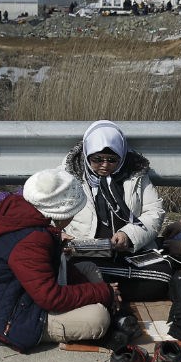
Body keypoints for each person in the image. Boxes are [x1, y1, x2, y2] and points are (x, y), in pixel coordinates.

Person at [0, 168, 119, 351]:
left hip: (22, 295)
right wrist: (103, 292)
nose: (73, 216)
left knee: (88, 268)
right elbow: (50, 298)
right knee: (98, 318)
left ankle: (110, 306)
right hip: (9, 320)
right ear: (60, 212)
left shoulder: (22, 211)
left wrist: (98, 291)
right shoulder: (31, 241)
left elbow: (47, 268)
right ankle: (111, 311)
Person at [62, 120, 168, 300]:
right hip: (83, 252)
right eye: (97, 159)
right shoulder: (68, 175)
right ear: (87, 154)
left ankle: (100, 289)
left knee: (162, 277)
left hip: (128, 251)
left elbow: (154, 212)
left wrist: (129, 235)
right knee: (73, 268)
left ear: (122, 156)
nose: (104, 165)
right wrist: (60, 236)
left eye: (112, 160)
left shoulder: (136, 174)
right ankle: (105, 288)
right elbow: (48, 213)